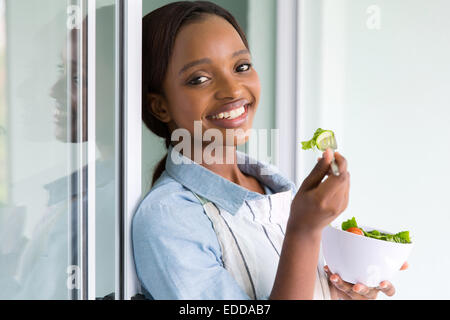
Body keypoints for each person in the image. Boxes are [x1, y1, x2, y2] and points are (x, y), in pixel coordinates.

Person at [132, 0, 406, 300]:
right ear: (159, 106)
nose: (234, 89)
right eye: (199, 79)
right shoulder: (169, 218)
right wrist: (304, 231)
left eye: (241, 67)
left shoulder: (273, 190)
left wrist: (344, 295)